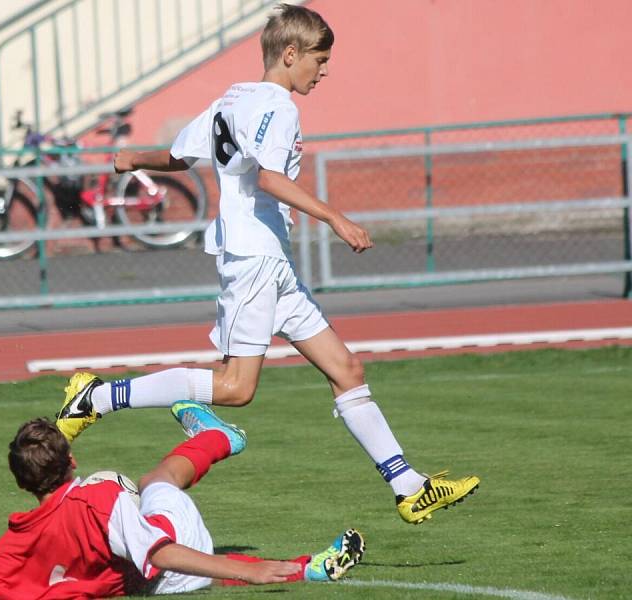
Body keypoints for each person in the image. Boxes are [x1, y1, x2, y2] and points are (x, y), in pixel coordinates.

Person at [56, 3, 479, 525]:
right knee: (237, 387)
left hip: (271, 261)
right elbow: (269, 179)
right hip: (252, 256)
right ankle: (99, 396)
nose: (324, 71)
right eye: (319, 60)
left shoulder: (234, 97)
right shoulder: (279, 106)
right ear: (291, 53)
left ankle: (409, 487)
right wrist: (336, 219)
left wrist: (134, 159)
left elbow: (183, 154)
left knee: (346, 369)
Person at [0, 403, 364, 600]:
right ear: (72, 459)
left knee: (158, 544)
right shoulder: (96, 498)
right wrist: (251, 569)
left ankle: (308, 568)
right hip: (166, 569)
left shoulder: (6, 552)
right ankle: (217, 438)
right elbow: (160, 552)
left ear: (22, 484)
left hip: (135, 584)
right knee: (157, 481)